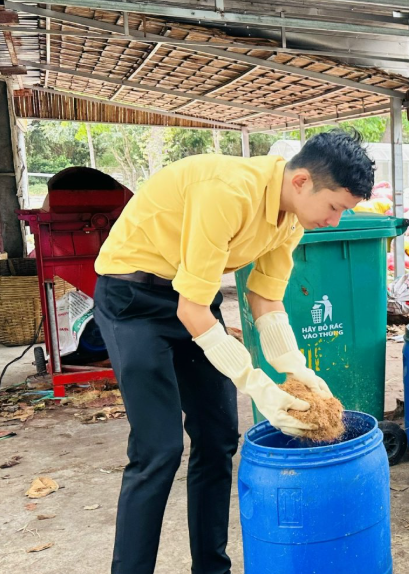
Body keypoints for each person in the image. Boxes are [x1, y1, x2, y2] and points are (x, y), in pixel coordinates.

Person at [92, 129, 375, 574]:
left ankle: (211, 569)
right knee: (159, 449)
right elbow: (191, 309)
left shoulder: (289, 218)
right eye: (335, 207)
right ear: (301, 181)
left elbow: (265, 300)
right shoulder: (228, 192)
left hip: (190, 299)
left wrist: (294, 368)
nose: (335, 220)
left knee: (219, 436)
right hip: (133, 299)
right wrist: (257, 385)